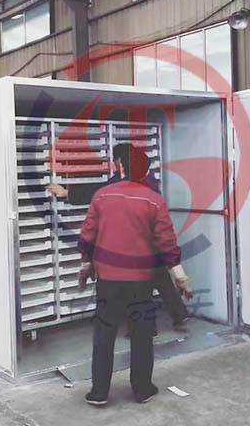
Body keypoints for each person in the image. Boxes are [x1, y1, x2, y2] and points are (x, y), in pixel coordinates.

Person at [77, 145, 193, 406]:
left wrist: (85, 267)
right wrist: (181, 277)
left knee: (104, 333)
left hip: (108, 279)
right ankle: (142, 389)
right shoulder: (153, 199)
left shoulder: (102, 196)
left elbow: (87, 236)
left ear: (121, 167)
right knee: (141, 334)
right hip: (140, 280)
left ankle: (99, 392)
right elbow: (166, 243)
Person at [47, 143, 191, 333]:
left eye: (116, 161)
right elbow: (105, 188)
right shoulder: (139, 174)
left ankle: (146, 329)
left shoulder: (141, 181)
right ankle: (177, 316)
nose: (115, 165)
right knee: (159, 279)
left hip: (142, 246)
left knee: (142, 288)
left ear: (121, 162)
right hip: (148, 244)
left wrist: (67, 192)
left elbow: (104, 190)